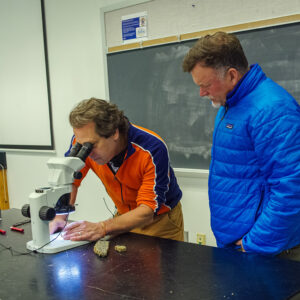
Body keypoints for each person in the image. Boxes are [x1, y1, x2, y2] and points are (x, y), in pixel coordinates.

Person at [182, 31, 300, 259]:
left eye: (206, 85)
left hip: (267, 251)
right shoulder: (231, 103)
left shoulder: (272, 110)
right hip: (239, 245)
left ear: (232, 75)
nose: (201, 93)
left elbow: (292, 187)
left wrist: (253, 244)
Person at [50, 98, 184, 242]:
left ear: (114, 133)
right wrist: (60, 216)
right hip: (122, 214)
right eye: (82, 145)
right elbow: (70, 179)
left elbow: (147, 210)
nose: (87, 153)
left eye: (92, 145)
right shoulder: (83, 140)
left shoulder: (153, 149)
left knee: (158, 264)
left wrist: (102, 227)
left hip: (158, 220)